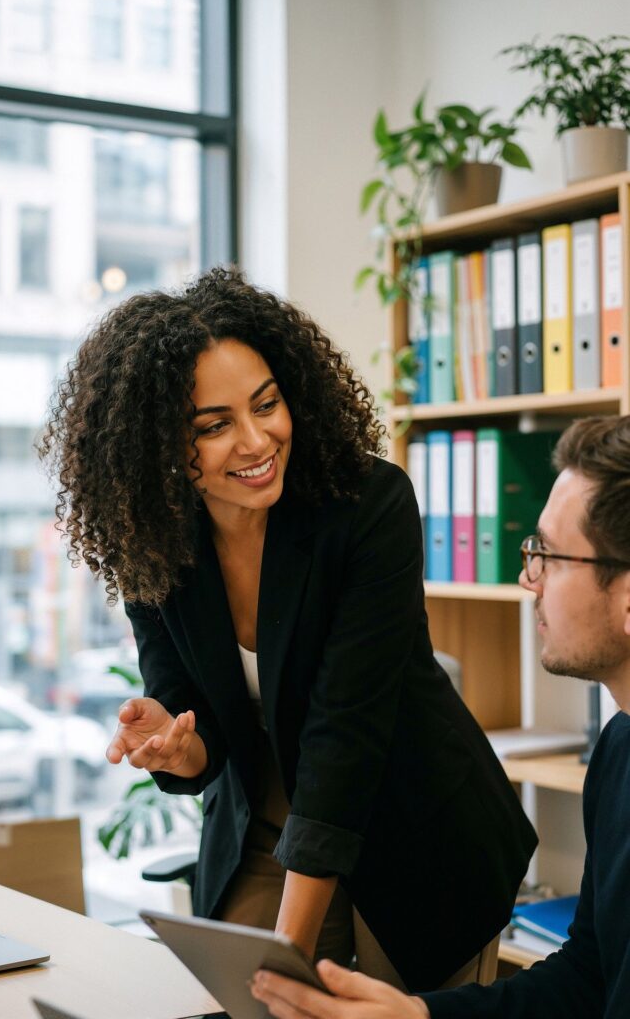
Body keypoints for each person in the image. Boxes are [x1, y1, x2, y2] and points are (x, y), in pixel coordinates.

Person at [40, 266, 535, 990]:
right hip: (266, 820)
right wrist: (177, 745)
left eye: (266, 404)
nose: (256, 440)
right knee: (240, 996)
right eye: (214, 426)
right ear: (158, 446)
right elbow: (191, 711)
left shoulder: (367, 506)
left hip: (412, 814)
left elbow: (345, 735)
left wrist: (285, 957)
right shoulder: (151, 537)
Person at [251, 413, 630, 1019]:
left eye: (550, 557)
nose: (527, 578)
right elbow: (589, 974)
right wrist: (417, 1016)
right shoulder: (618, 748)